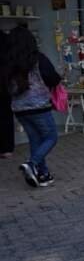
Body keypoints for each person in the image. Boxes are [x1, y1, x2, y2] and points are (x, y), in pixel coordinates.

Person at [5, 26, 61, 187]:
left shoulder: (9, 63)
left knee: (35, 140)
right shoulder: (38, 58)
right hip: (39, 106)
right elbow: (52, 78)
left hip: (19, 109)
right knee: (51, 137)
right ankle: (31, 163)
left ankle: (42, 175)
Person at [0, 30, 15, 158]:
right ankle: (7, 148)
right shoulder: (6, 39)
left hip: (4, 83)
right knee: (6, 115)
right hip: (5, 84)